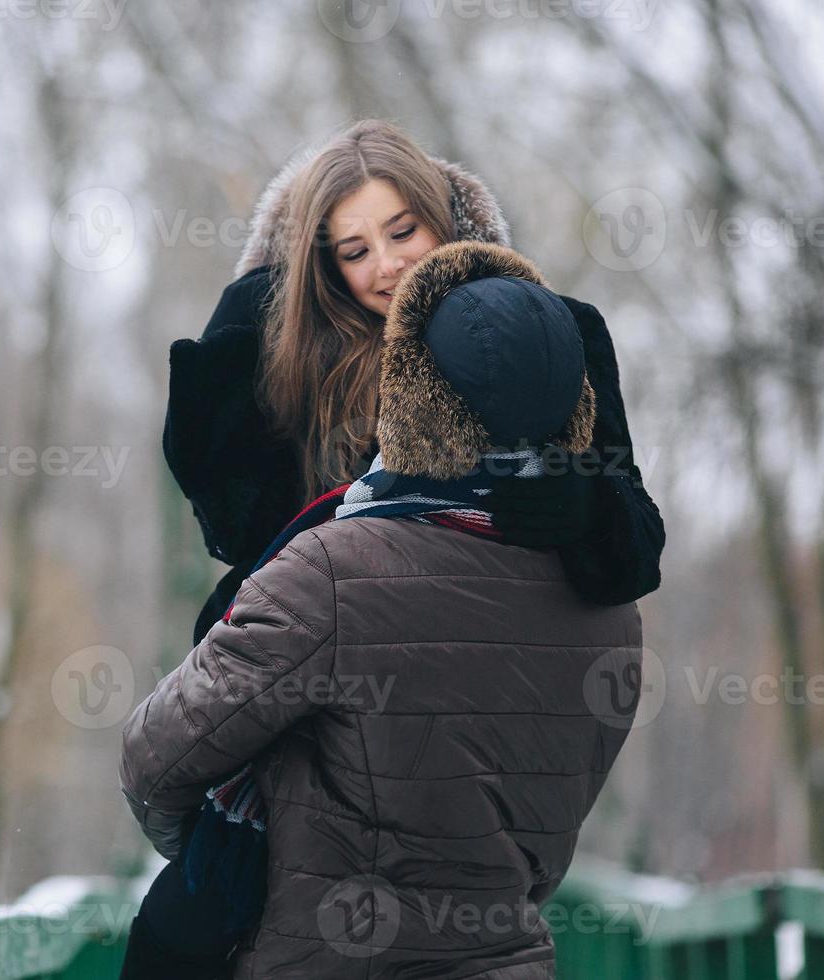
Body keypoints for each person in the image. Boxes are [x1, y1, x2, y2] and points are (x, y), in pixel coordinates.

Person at [119, 239, 645, 979]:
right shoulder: (610, 608)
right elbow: (541, 841)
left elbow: (154, 759)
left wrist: (236, 850)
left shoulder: (335, 571)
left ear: (413, 398)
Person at [162, 121, 664, 649]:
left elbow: (638, 556)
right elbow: (240, 537)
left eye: (403, 232)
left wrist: (588, 507)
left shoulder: (548, 333)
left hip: (498, 659)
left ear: (443, 218)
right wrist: (244, 320)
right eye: (356, 252)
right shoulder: (307, 363)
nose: (389, 264)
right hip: (339, 665)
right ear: (328, 270)